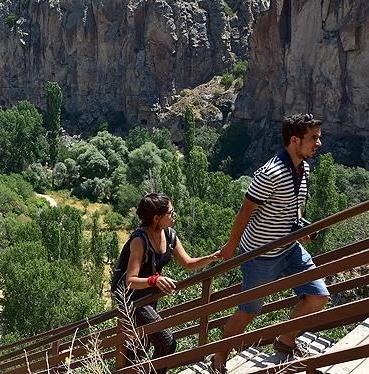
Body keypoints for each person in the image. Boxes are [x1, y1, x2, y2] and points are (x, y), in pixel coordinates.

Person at [208, 113, 330, 373]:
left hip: (289, 247)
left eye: (318, 137)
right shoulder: (270, 173)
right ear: (295, 140)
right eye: (314, 138)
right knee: (249, 311)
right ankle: (218, 357)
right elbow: (245, 211)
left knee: (318, 295)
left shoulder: (303, 168)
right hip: (260, 254)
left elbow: (290, 208)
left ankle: (286, 341)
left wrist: (300, 226)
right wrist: (231, 245)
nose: (319, 143)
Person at [113, 192, 222, 373]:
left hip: (149, 298)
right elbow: (130, 281)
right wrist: (154, 279)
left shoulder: (170, 235)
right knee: (167, 342)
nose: (174, 215)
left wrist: (211, 258)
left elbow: (188, 263)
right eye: (170, 213)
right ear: (157, 218)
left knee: (141, 346)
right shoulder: (140, 241)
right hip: (132, 300)